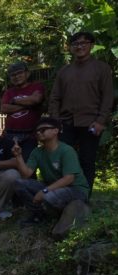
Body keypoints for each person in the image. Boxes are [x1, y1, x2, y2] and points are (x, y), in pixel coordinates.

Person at [48, 31, 113, 194]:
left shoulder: (102, 68)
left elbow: (108, 97)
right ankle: (60, 195)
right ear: (71, 48)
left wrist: (101, 121)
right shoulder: (64, 71)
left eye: (84, 43)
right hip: (66, 123)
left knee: (87, 161)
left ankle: (84, 197)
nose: (79, 47)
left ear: (91, 45)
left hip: (91, 123)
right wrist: (55, 122)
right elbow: (54, 98)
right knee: (63, 160)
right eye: (76, 44)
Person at [13, 118, 89, 226]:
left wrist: (44, 191)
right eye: (37, 131)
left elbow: (69, 179)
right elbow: (26, 175)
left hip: (75, 189)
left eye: (43, 129)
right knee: (19, 183)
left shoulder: (66, 150)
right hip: (52, 187)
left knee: (48, 197)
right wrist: (18, 156)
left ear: (55, 131)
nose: (38, 133)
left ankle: (66, 212)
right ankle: (39, 215)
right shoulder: (37, 151)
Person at [0, 62, 45, 161]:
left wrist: (14, 101)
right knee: (9, 162)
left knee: (27, 163)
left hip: (30, 135)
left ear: (27, 74)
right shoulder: (9, 92)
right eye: (13, 75)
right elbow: (4, 108)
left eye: (19, 73)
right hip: (10, 134)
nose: (16, 77)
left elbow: (35, 100)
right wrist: (27, 106)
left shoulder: (36, 87)